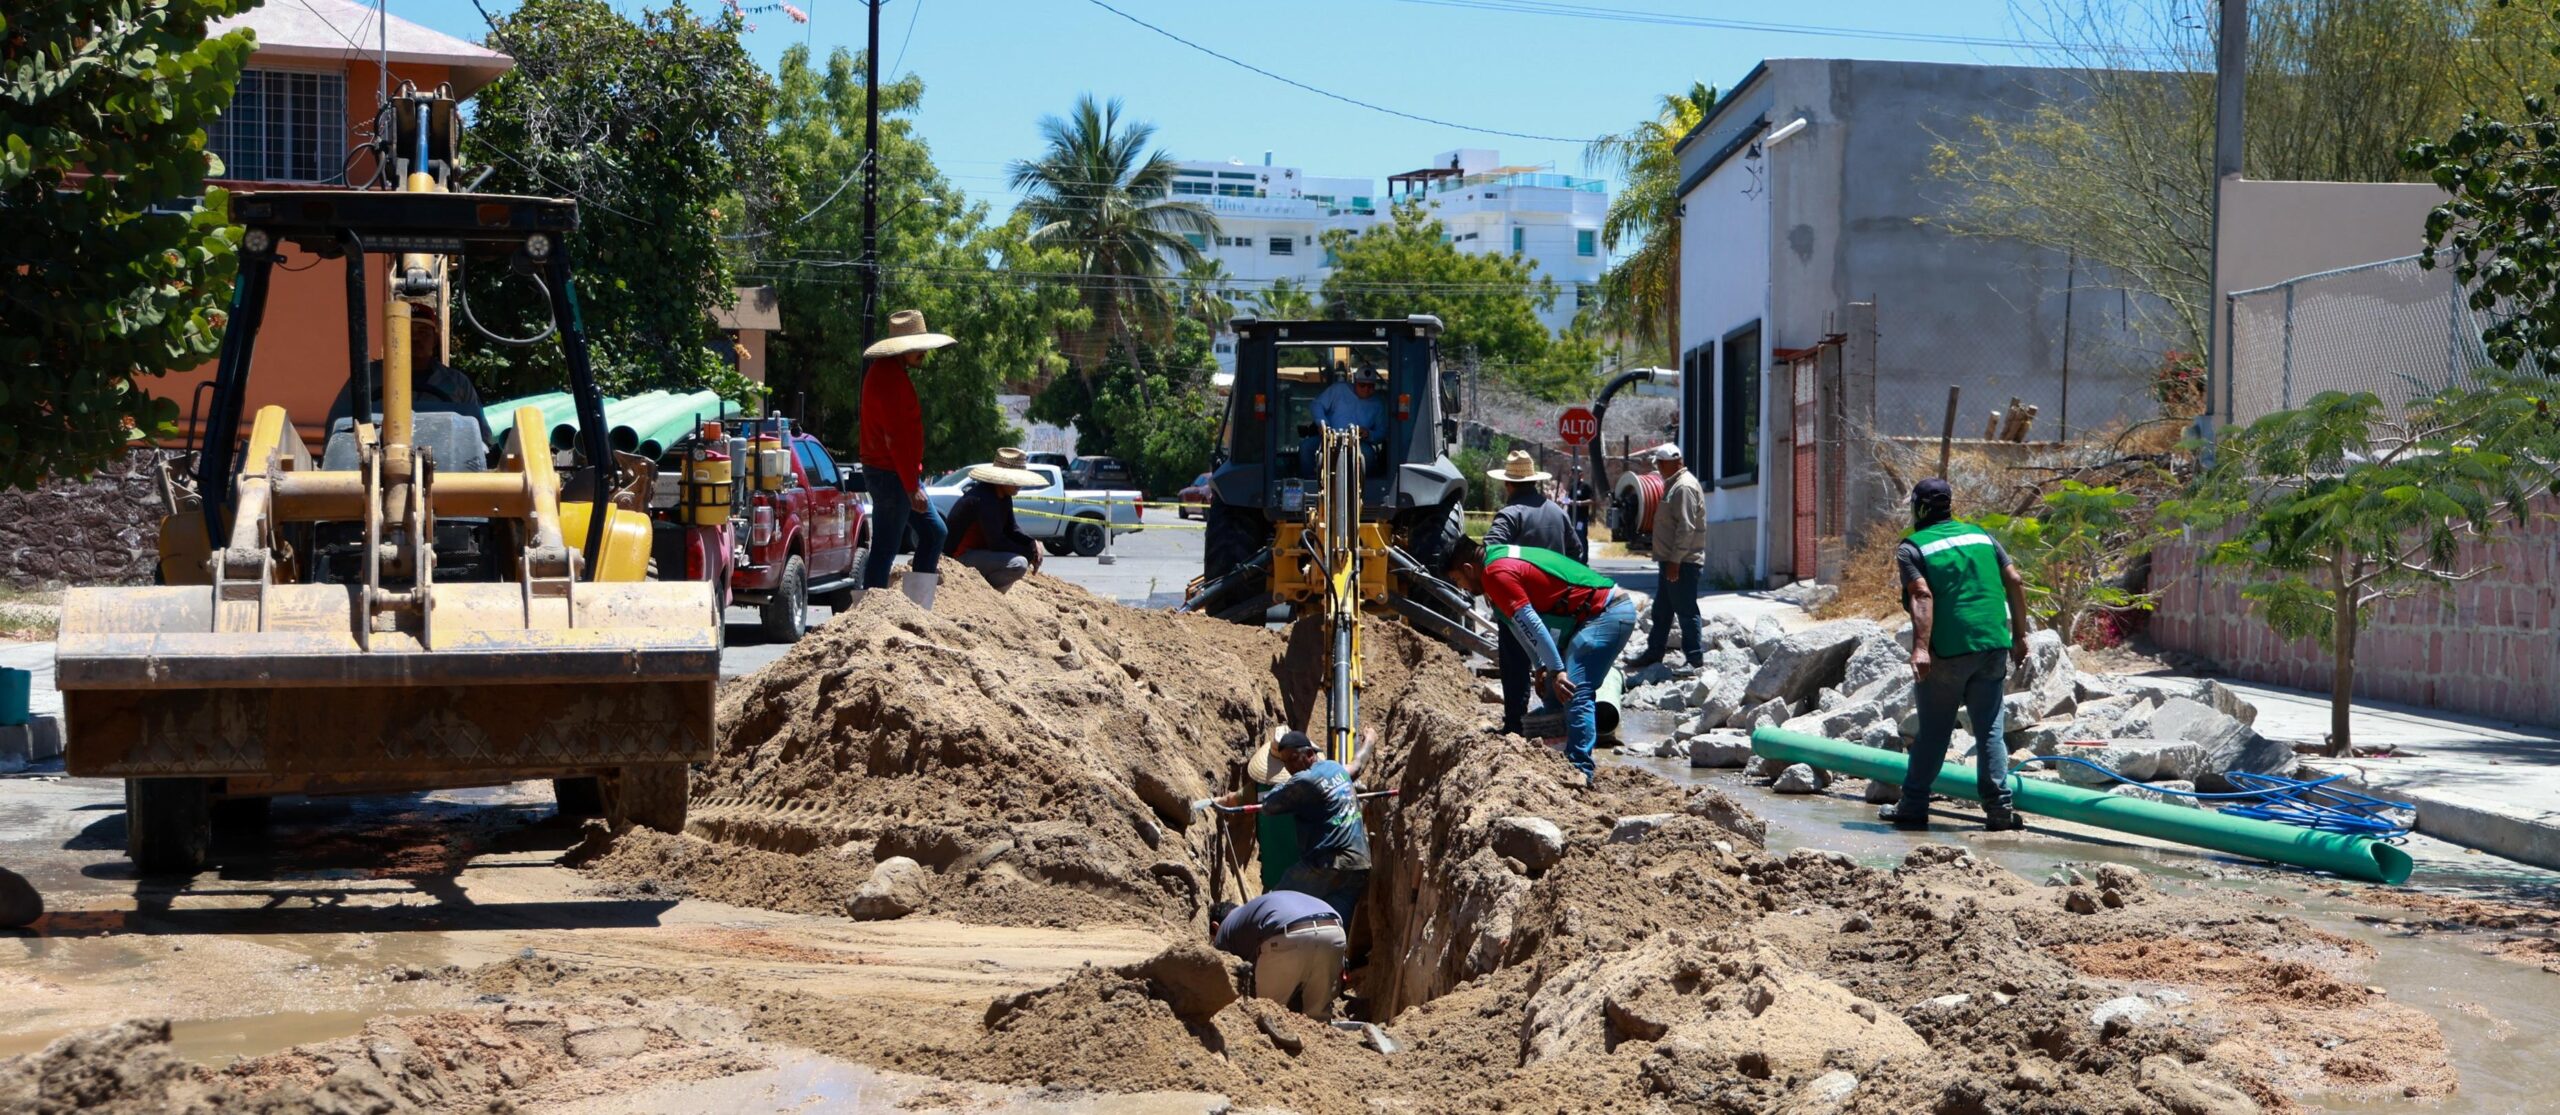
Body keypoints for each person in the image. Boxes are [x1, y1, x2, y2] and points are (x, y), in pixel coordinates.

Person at [1878, 478, 2032, 833]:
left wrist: (1919, 647)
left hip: (1948, 651)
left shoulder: (1912, 548)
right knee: (1989, 730)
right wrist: (2020, 635)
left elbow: (1921, 594)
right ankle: (1999, 811)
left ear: (1917, 508)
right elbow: (2015, 579)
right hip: (1993, 643)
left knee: (1934, 731)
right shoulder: (1981, 536)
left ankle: (1913, 806)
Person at [1444, 537, 1638, 782]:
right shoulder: (1493, 564)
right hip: (1588, 616)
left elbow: (1532, 623)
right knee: (1552, 691)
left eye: (1457, 580)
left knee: (1572, 688)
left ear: (1468, 569)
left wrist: (1556, 669)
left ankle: (1580, 771)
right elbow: (1518, 627)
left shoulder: (1496, 573)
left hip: (1607, 612)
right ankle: (1557, 758)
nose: (1461, 587)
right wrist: (1541, 667)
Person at [1196, 730, 1371, 926]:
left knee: (1274, 905)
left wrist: (1280, 786)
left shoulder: (1300, 782)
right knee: (1335, 926)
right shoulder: (1335, 769)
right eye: (1287, 761)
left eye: (1293, 759)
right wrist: (1370, 740)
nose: (1290, 766)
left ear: (1310, 754)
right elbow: (1358, 764)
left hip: (1325, 863)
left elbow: (1269, 805)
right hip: (1359, 862)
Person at [859, 310, 957, 609]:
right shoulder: (889, 379)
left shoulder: (890, 373)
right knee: (885, 548)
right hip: (891, 476)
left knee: (934, 531)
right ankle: (869, 616)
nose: (925, 352)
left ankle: (917, 608)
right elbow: (896, 440)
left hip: (895, 474)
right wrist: (911, 485)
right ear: (904, 348)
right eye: (920, 346)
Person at [1482, 450, 1583, 737]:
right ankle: (1557, 723)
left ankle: (1516, 725)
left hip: (1518, 605)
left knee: (1515, 664)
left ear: (1509, 485)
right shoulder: (1557, 512)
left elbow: (1491, 550)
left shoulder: (1511, 514)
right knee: (1555, 661)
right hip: (1556, 607)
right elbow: (1577, 553)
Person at [326, 301, 492, 448]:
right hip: (373, 461)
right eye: (407, 332)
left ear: (434, 339)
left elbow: (481, 436)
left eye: (423, 332)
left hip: (444, 463)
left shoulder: (457, 383)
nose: (415, 339)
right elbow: (338, 423)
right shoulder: (367, 378)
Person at [1207, 890, 1348, 1021]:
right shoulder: (1253, 911)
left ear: (1215, 926)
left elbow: (1222, 975)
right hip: (1334, 931)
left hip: (1288, 935)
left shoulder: (1224, 928)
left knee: (1269, 1014)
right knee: (1318, 1017)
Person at [1625, 442, 1705, 671]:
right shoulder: (1673, 485)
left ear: (1673, 463)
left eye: (1660, 463)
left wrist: (1675, 561)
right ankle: (1654, 653)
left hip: (1682, 562)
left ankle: (1694, 659)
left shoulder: (1684, 488)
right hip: (1671, 561)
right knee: (1662, 610)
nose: (1658, 467)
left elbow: (1686, 528)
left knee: (1686, 610)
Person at [943, 447, 1045, 592]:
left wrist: (1032, 544)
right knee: (1019, 563)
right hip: (961, 557)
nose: (1020, 485)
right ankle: (985, 592)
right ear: (1001, 479)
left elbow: (1012, 529)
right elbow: (996, 542)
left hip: (980, 553)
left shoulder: (1004, 497)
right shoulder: (984, 498)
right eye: (1015, 481)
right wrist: (1029, 554)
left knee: (1022, 557)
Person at [1301, 364, 1388, 477]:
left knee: (1368, 456)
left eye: (1370, 386)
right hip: (1329, 438)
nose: (1366, 389)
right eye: (1362, 385)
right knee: (1306, 447)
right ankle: (1311, 485)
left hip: (1358, 443)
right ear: (1355, 382)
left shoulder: (1378, 404)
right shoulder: (1339, 389)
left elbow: (1382, 432)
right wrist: (1322, 423)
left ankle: (1367, 491)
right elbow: (1317, 404)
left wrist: (1368, 434)